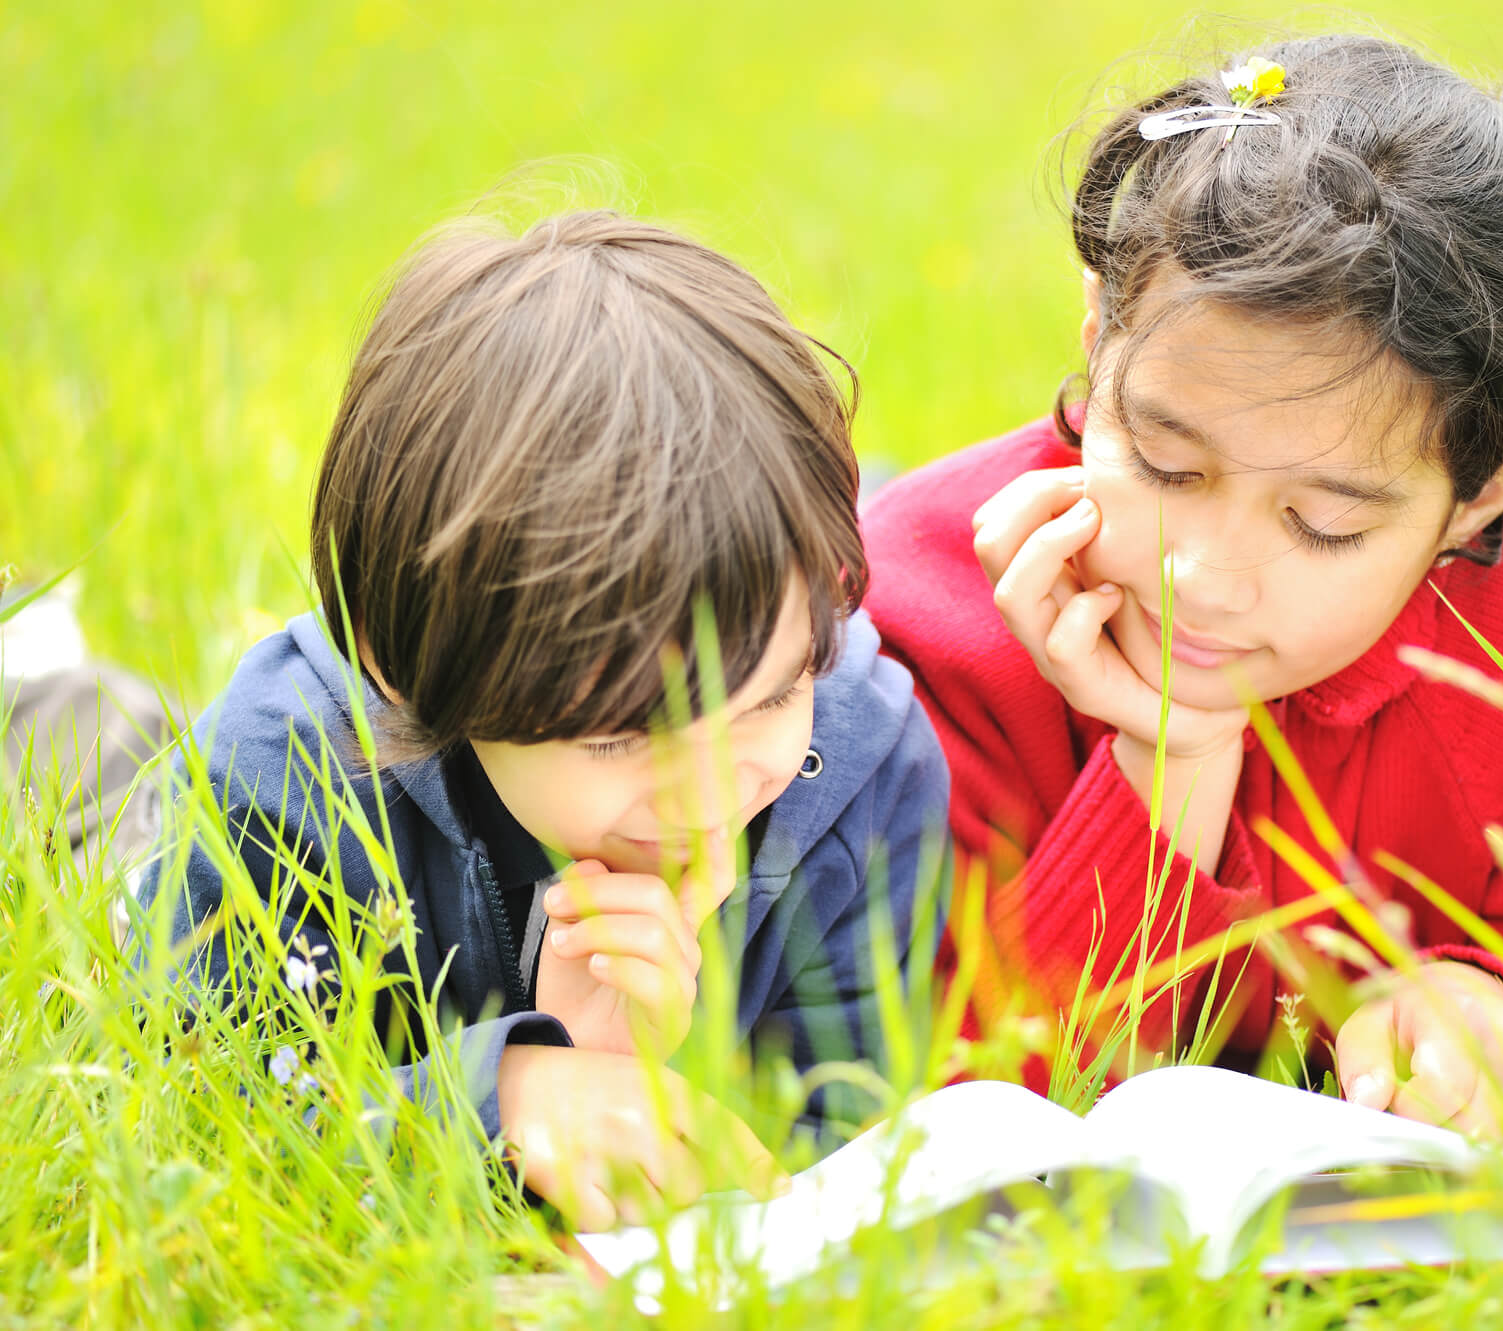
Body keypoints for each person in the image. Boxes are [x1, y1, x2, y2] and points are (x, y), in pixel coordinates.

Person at [863, 35, 1503, 1137]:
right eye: (1161, 461)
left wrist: (1485, 998)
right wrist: (1171, 757)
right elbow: (955, 1105)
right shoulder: (913, 621)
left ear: (1477, 501)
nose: (1198, 578)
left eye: (1321, 522)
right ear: (1097, 333)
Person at [137, 211, 950, 1227]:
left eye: (773, 694)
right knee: (99, 780)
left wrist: (660, 1063)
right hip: (162, 809)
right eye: (618, 735)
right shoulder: (287, 775)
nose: (709, 788)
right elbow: (196, 1115)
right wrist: (502, 1093)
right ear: (400, 665)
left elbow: (842, 1143)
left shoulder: (859, 773)